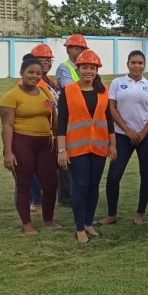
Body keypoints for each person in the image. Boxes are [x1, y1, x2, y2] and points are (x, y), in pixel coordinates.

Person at [56, 49, 115, 243]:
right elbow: (62, 121)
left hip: (98, 146)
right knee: (80, 185)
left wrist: (112, 144)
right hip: (77, 147)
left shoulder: (103, 91)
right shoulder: (68, 90)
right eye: (84, 67)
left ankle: (89, 223)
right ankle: (79, 226)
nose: (88, 71)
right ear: (78, 68)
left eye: (92, 67)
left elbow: (108, 119)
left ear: (97, 70)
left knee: (93, 186)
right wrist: (62, 149)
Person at [0, 57, 59, 234]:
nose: (34, 76)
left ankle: (48, 219)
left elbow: (53, 118)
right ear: (22, 73)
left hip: (45, 144)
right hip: (22, 143)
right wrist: (8, 152)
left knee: (51, 182)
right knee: (24, 183)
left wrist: (59, 143)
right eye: (30, 72)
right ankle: (27, 224)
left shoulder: (45, 93)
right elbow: (7, 126)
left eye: (38, 73)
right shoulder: (11, 96)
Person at [99, 50, 148, 226]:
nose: (137, 66)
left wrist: (143, 132)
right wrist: (128, 130)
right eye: (133, 62)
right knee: (114, 175)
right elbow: (112, 109)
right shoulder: (117, 83)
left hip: (146, 135)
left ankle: (140, 213)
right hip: (123, 135)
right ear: (128, 64)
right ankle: (111, 213)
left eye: (140, 63)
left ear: (144, 65)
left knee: (146, 175)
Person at [24, 44, 60, 212]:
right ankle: (35, 200)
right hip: (35, 129)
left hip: (50, 128)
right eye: (42, 59)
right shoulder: (31, 80)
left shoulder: (49, 81)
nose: (46, 63)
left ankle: (39, 198)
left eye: (48, 60)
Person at [54, 34, 88, 207]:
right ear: (68, 49)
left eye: (82, 49)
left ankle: (77, 192)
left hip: (82, 118)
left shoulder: (87, 66)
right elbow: (71, 90)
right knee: (66, 155)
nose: (80, 51)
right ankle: (66, 196)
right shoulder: (64, 68)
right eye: (77, 48)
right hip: (68, 117)